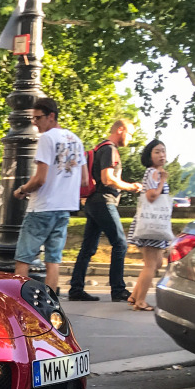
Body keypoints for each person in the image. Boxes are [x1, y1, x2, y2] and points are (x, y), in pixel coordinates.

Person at [12, 97, 88, 293]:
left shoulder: (47, 138)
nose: (35, 123)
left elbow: (40, 179)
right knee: (53, 260)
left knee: (23, 258)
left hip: (42, 207)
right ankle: (50, 304)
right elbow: (84, 180)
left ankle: (17, 303)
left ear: (51, 116)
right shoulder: (76, 140)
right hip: (64, 208)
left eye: (38, 118)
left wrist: (21, 190)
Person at [67, 118, 141, 302]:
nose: (130, 138)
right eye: (130, 133)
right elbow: (107, 179)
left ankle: (76, 289)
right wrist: (131, 187)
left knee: (88, 248)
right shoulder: (110, 149)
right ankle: (118, 290)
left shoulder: (100, 147)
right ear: (121, 130)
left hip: (93, 202)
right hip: (104, 201)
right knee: (120, 244)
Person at [126, 139, 173, 312]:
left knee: (157, 262)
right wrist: (162, 181)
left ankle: (134, 296)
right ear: (150, 155)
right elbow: (151, 196)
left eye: (163, 151)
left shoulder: (155, 172)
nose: (162, 155)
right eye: (157, 152)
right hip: (151, 224)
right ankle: (140, 301)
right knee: (151, 264)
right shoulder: (153, 173)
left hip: (153, 223)